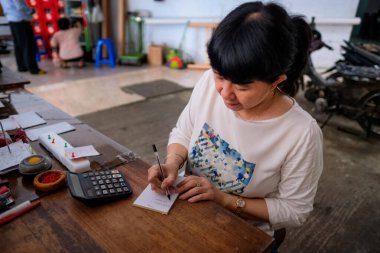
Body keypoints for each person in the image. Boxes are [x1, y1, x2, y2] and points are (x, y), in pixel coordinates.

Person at [147, 1, 323, 250]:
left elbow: (295, 210)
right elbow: (185, 131)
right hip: (189, 213)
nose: (224, 93)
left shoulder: (301, 133)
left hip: (243, 235)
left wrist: (224, 199)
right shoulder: (209, 82)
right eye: (220, 75)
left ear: (276, 81)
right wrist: (172, 163)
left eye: (242, 87)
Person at [0, 0, 46, 75]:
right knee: (28, 45)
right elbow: (20, 6)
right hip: (21, 19)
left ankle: (22, 67)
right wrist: (32, 10)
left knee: (18, 44)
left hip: (12, 19)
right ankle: (33, 69)